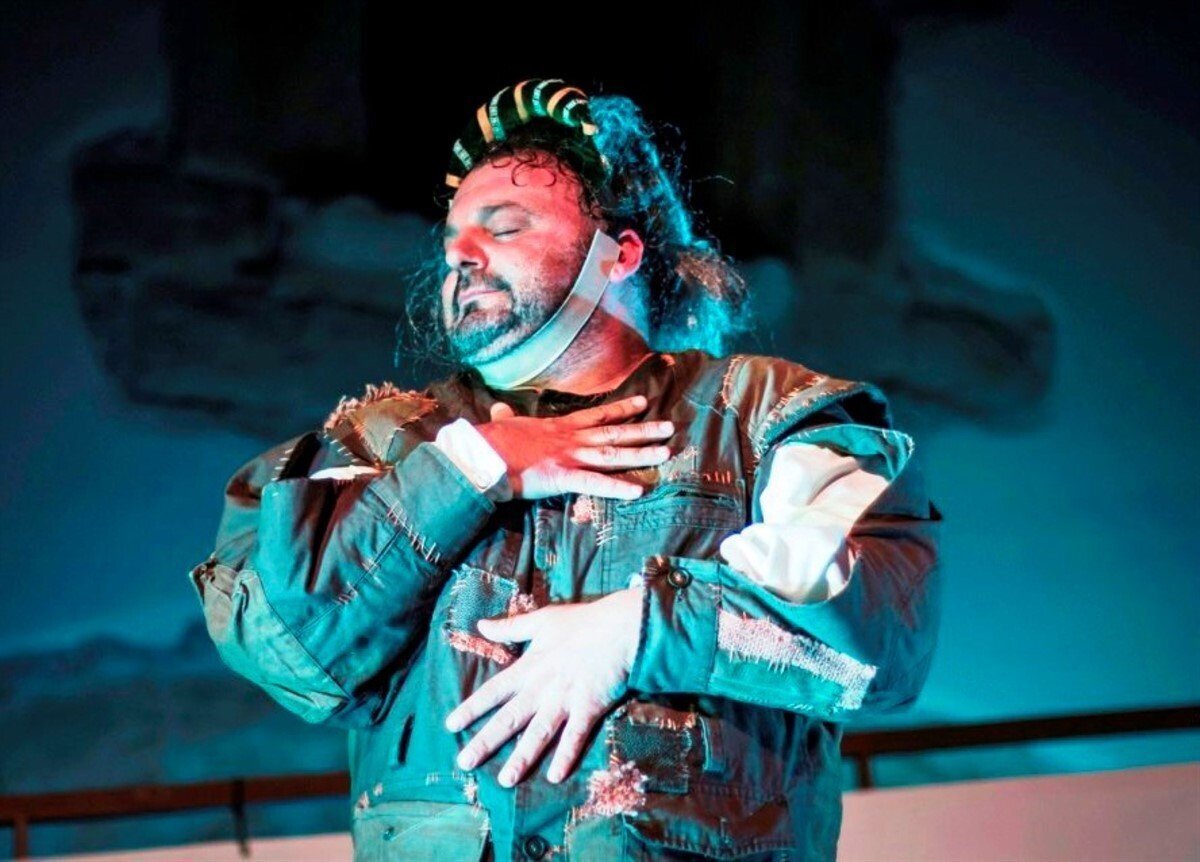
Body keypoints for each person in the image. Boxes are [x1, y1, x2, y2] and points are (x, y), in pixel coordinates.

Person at [189, 77, 942, 862]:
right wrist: (473, 467)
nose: (460, 255)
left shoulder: (765, 418)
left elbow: (879, 637)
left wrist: (641, 630)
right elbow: (281, 638)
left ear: (619, 254)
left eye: (505, 226)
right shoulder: (382, 442)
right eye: (451, 240)